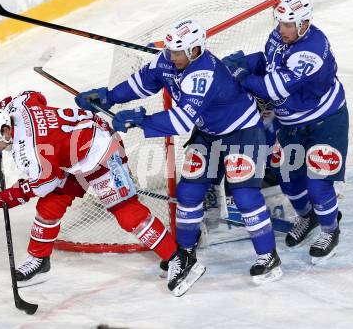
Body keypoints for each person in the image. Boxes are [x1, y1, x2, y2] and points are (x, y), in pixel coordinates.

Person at [75, 18, 283, 294]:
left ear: (195, 50)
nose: (171, 57)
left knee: (245, 196)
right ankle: (184, 253)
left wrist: (140, 120)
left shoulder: (203, 73)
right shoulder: (169, 60)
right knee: (188, 193)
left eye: (177, 52)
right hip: (209, 134)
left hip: (242, 132)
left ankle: (269, 257)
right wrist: (109, 96)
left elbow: (182, 121)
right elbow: (144, 81)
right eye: (170, 51)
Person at [0, 91, 178, 285]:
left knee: (127, 213)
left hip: (102, 152)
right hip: (76, 151)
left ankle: (177, 257)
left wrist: (11, 196)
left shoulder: (29, 152)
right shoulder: (17, 107)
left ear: (5, 131)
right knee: (50, 206)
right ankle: (39, 259)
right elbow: (35, 96)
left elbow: (44, 184)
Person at [222, 0, 348, 263]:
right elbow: (269, 63)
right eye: (281, 23)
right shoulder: (281, 36)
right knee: (288, 177)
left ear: (305, 24)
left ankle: (330, 229)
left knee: (317, 183)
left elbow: (272, 88)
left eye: (289, 25)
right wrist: (243, 62)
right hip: (291, 122)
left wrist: (242, 76)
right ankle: (308, 216)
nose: (282, 29)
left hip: (325, 121)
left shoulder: (311, 52)